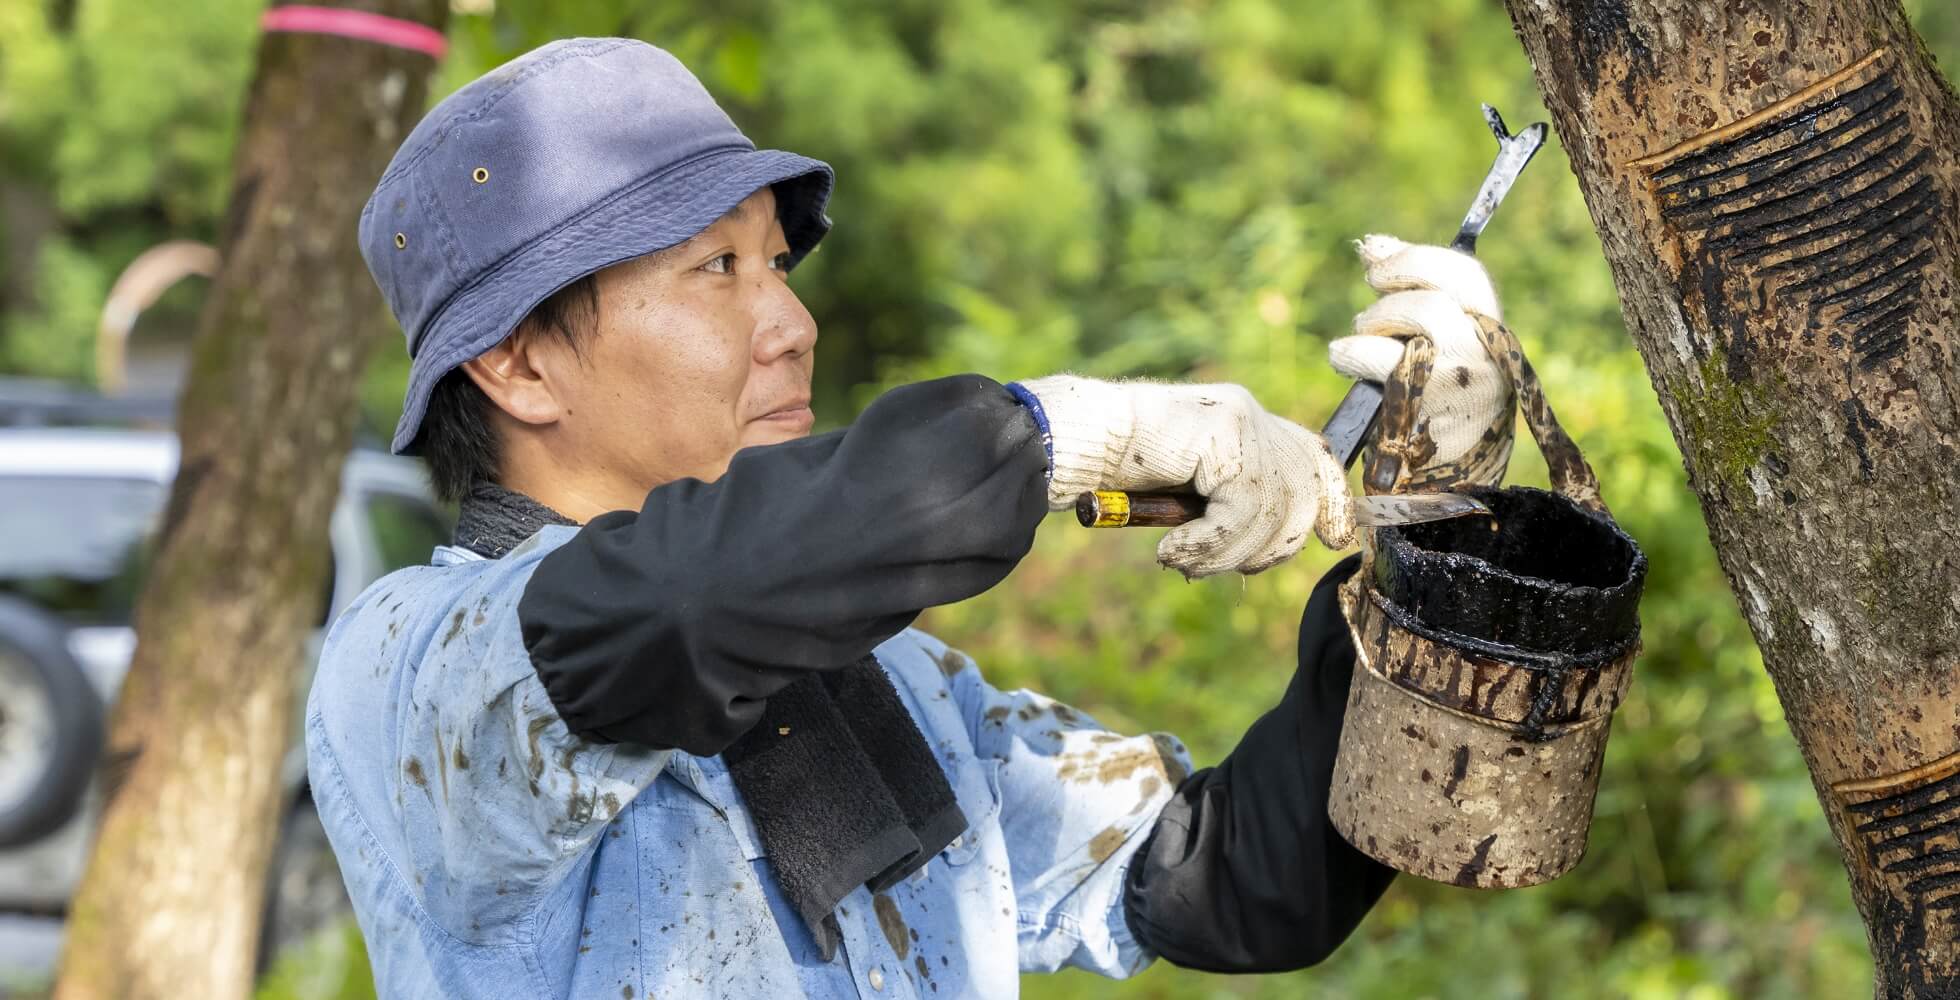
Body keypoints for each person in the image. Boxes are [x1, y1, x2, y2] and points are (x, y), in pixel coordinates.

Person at [306, 37, 1514, 999]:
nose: (790, 323)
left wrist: (1433, 538)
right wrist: (1055, 434)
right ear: (516, 367)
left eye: (777, 265)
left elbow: (1231, 878)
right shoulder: (410, 667)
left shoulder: (893, 679)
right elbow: (665, 606)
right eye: (714, 270)